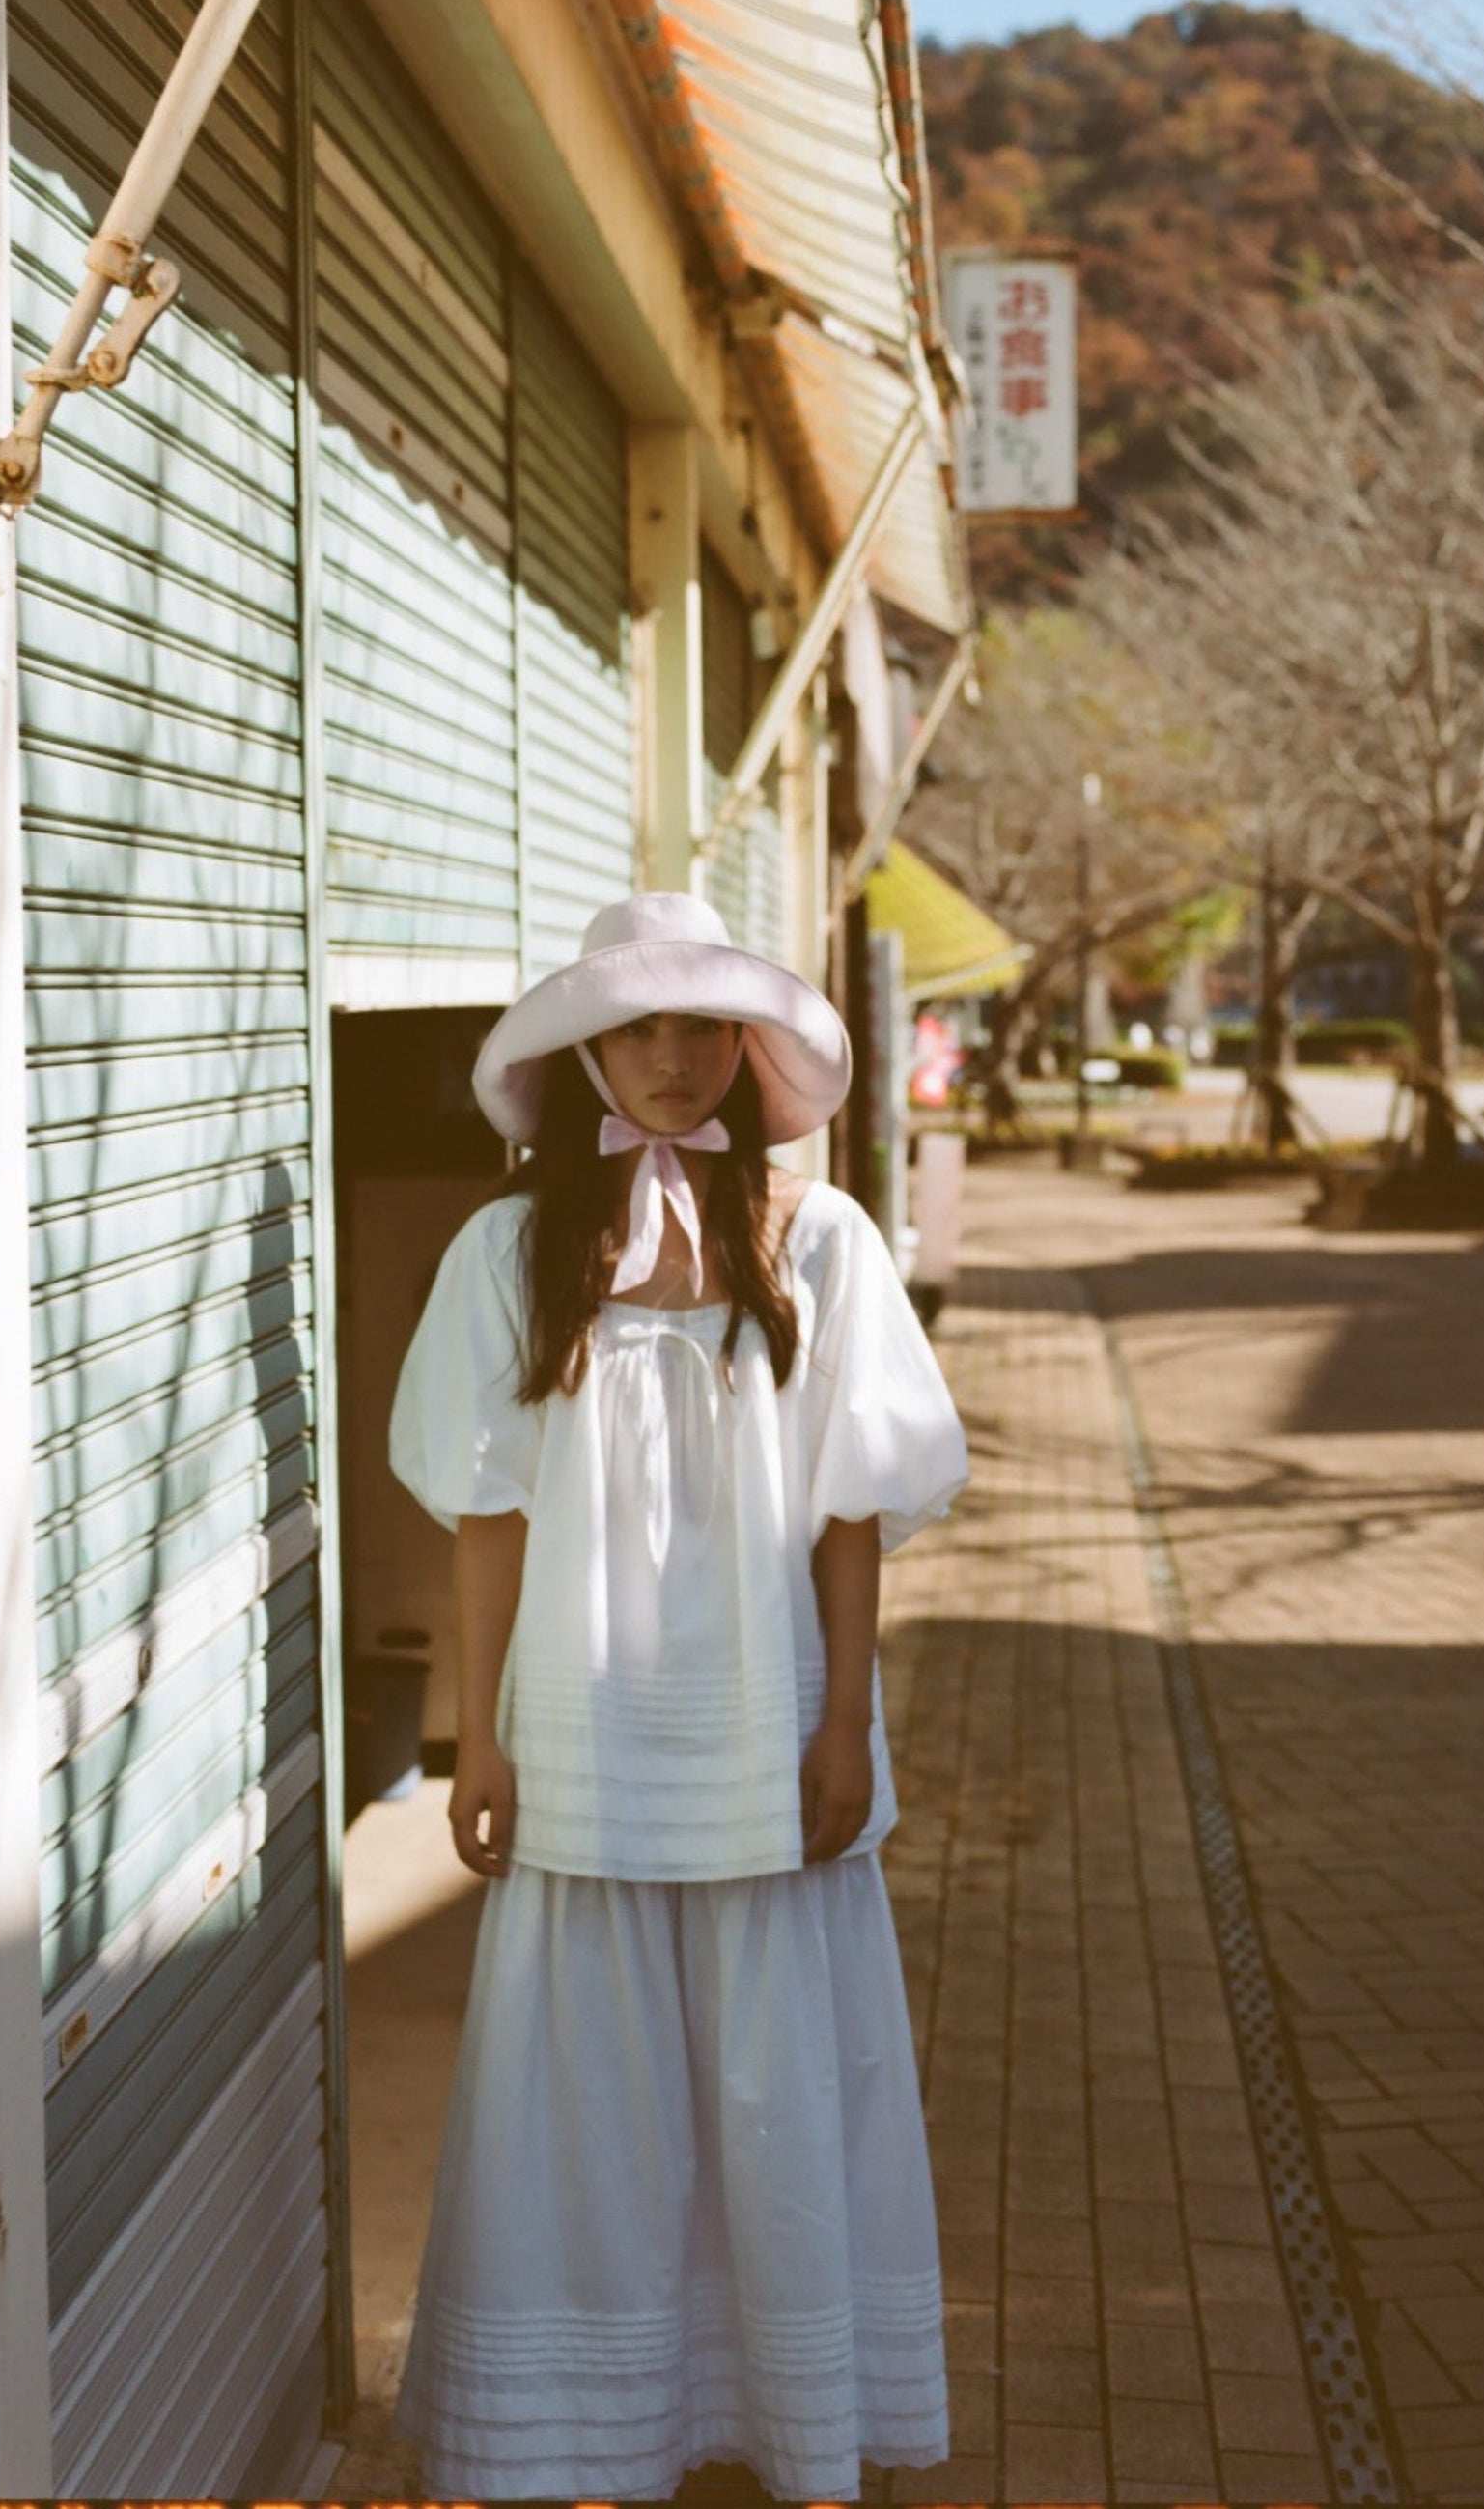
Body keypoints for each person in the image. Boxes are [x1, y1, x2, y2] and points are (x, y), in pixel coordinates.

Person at [386, 891, 969, 2504]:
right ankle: (587, 2433)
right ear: (586, 1049)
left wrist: (845, 1716)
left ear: (750, 1046)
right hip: (576, 1730)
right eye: (640, 1027)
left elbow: (854, 1511)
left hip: (767, 1728)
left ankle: (784, 2423)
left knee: (784, 2092)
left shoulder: (825, 1238)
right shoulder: (507, 1248)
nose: (673, 1058)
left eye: (704, 1025)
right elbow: (485, 1512)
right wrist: (480, 1730)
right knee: (586, 2111)